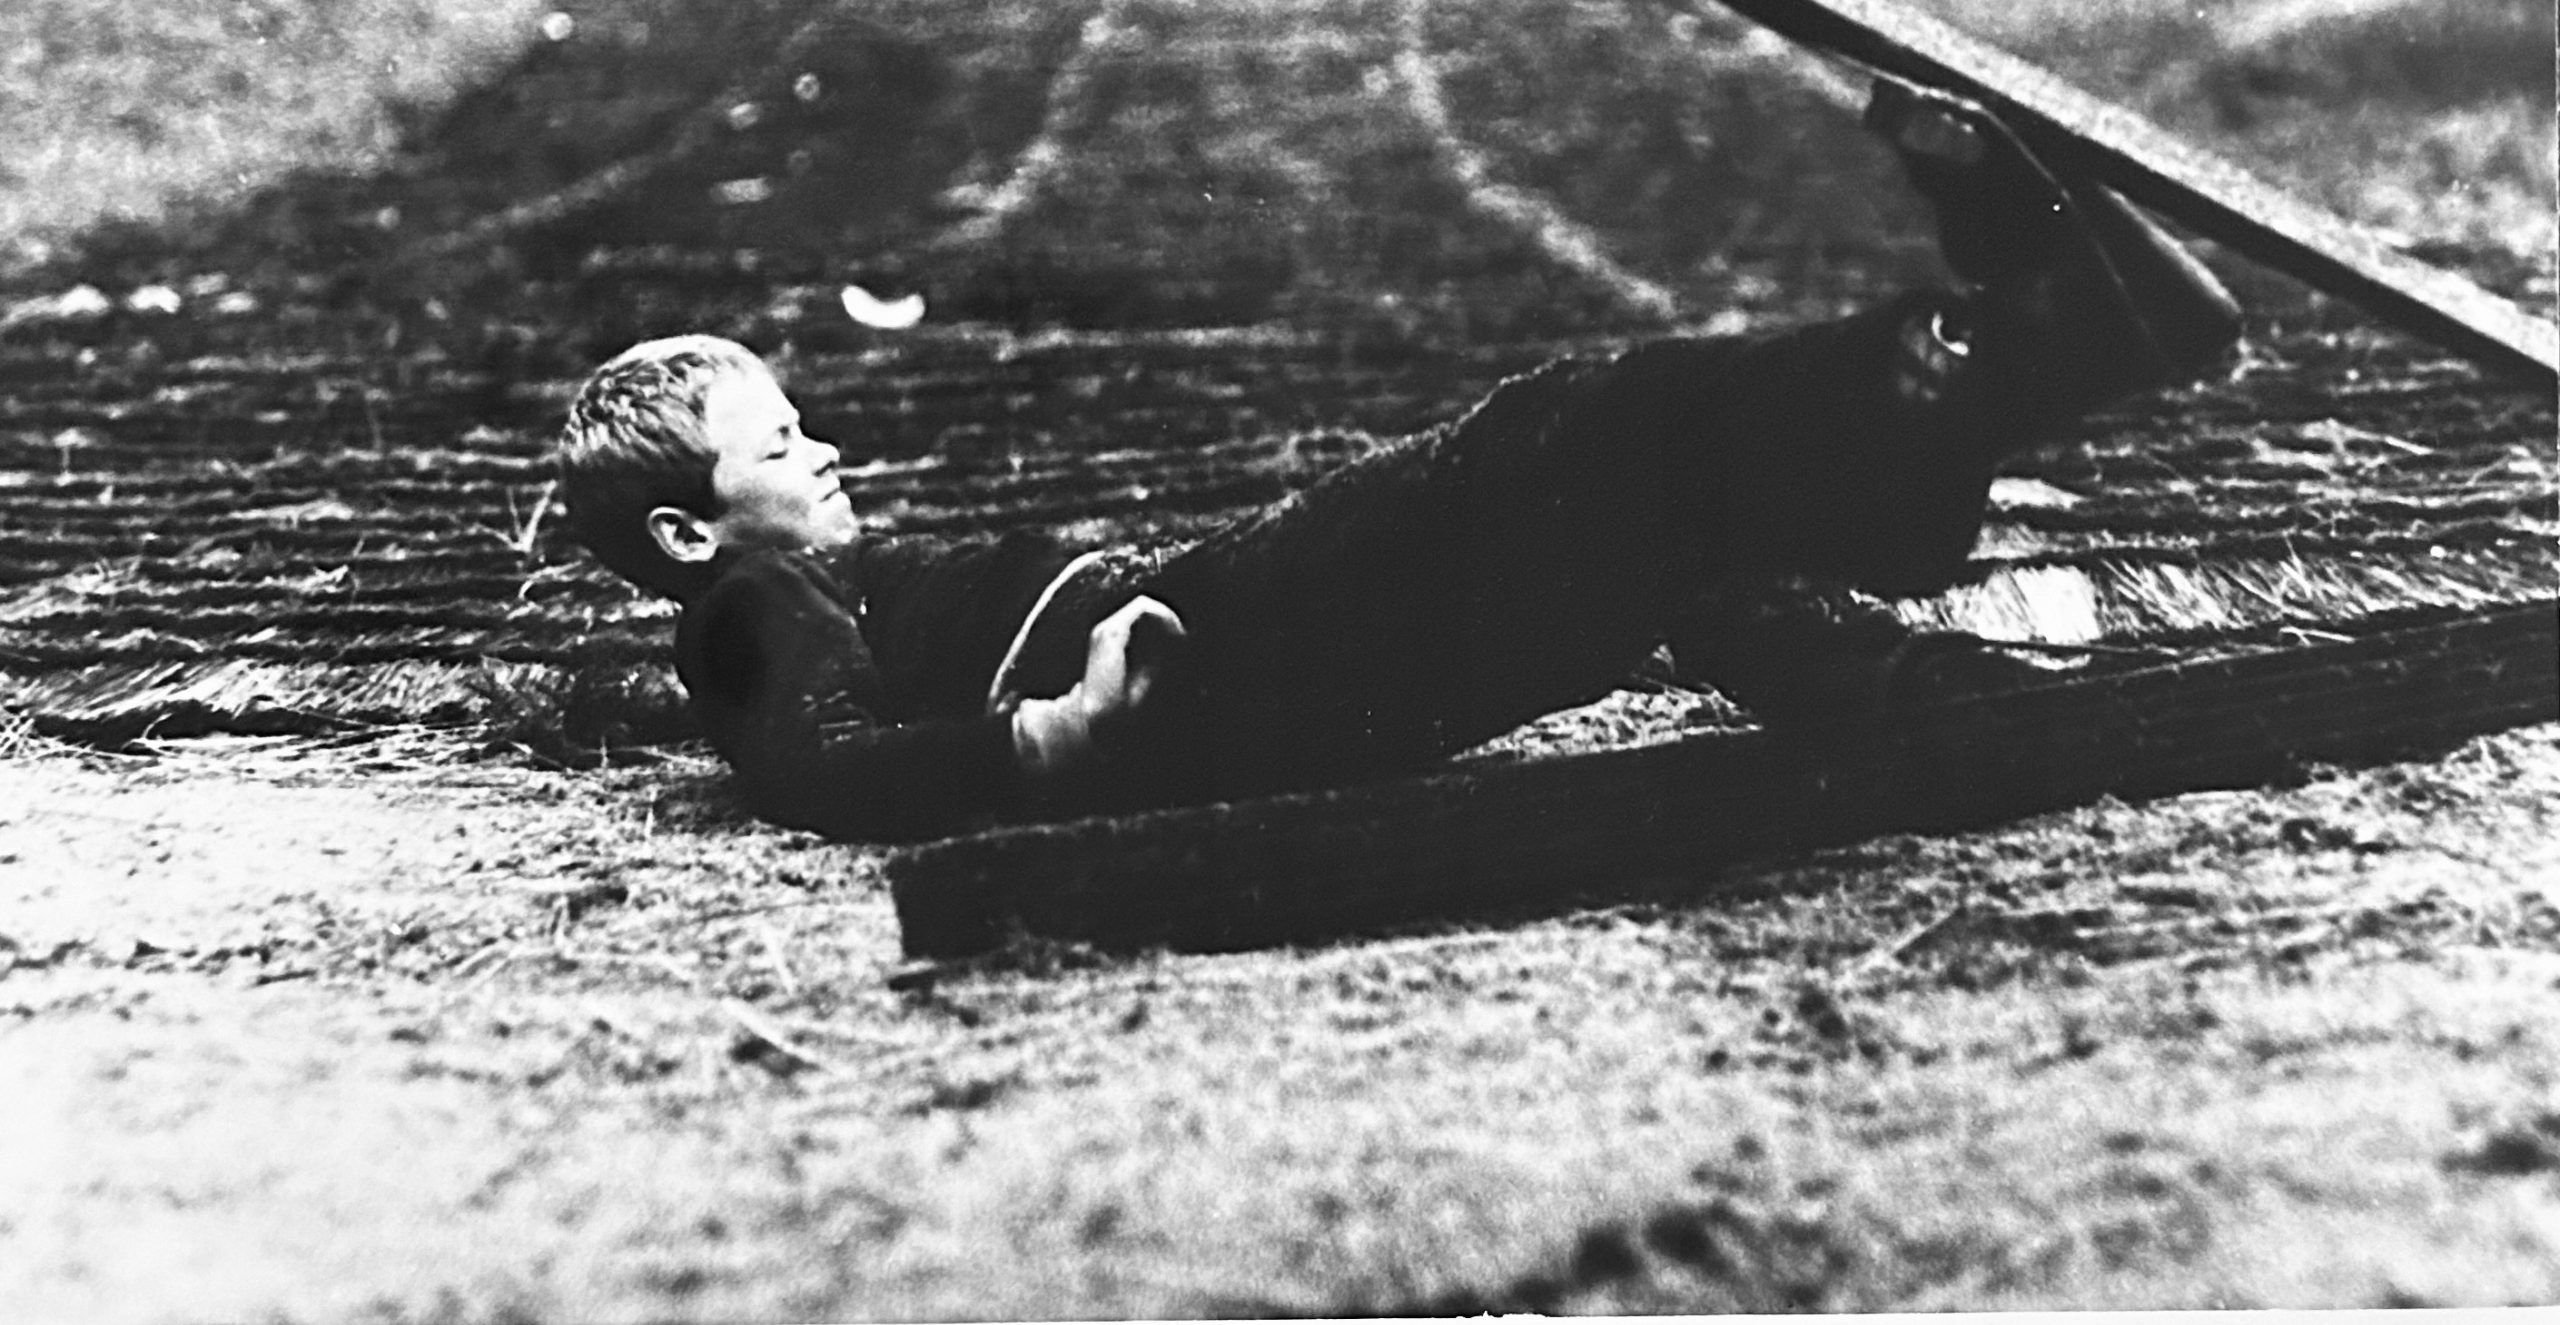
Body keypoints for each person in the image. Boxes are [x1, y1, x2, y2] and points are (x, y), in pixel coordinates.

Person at [554, 84, 2241, 841]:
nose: (826, 449)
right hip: (1216, 667)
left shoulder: (801, 591)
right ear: (697, 538)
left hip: (1243, 661)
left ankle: (1926, 649)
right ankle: (1993, 357)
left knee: (1628, 542)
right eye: (780, 443)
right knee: (1558, 441)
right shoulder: (751, 616)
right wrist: (1051, 742)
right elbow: (823, 769)